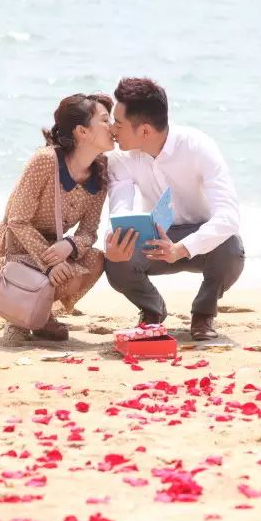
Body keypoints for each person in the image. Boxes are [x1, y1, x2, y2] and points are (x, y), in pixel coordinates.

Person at [105, 78, 244, 340]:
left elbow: (229, 216)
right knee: (114, 260)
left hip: (200, 240)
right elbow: (119, 213)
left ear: (145, 131)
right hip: (155, 240)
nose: (112, 130)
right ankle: (152, 309)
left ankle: (203, 313)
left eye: (119, 124)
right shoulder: (120, 159)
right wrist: (113, 242)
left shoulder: (198, 146)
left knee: (232, 248)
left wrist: (181, 249)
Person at [0, 92, 113, 344]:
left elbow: (88, 231)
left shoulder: (100, 172)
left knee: (96, 260)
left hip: (57, 249)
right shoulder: (45, 161)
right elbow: (17, 220)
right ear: (82, 131)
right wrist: (49, 262)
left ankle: (40, 314)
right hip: (14, 250)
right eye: (105, 120)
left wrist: (70, 245)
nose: (113, 127)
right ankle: (19, 319)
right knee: (54, 270)